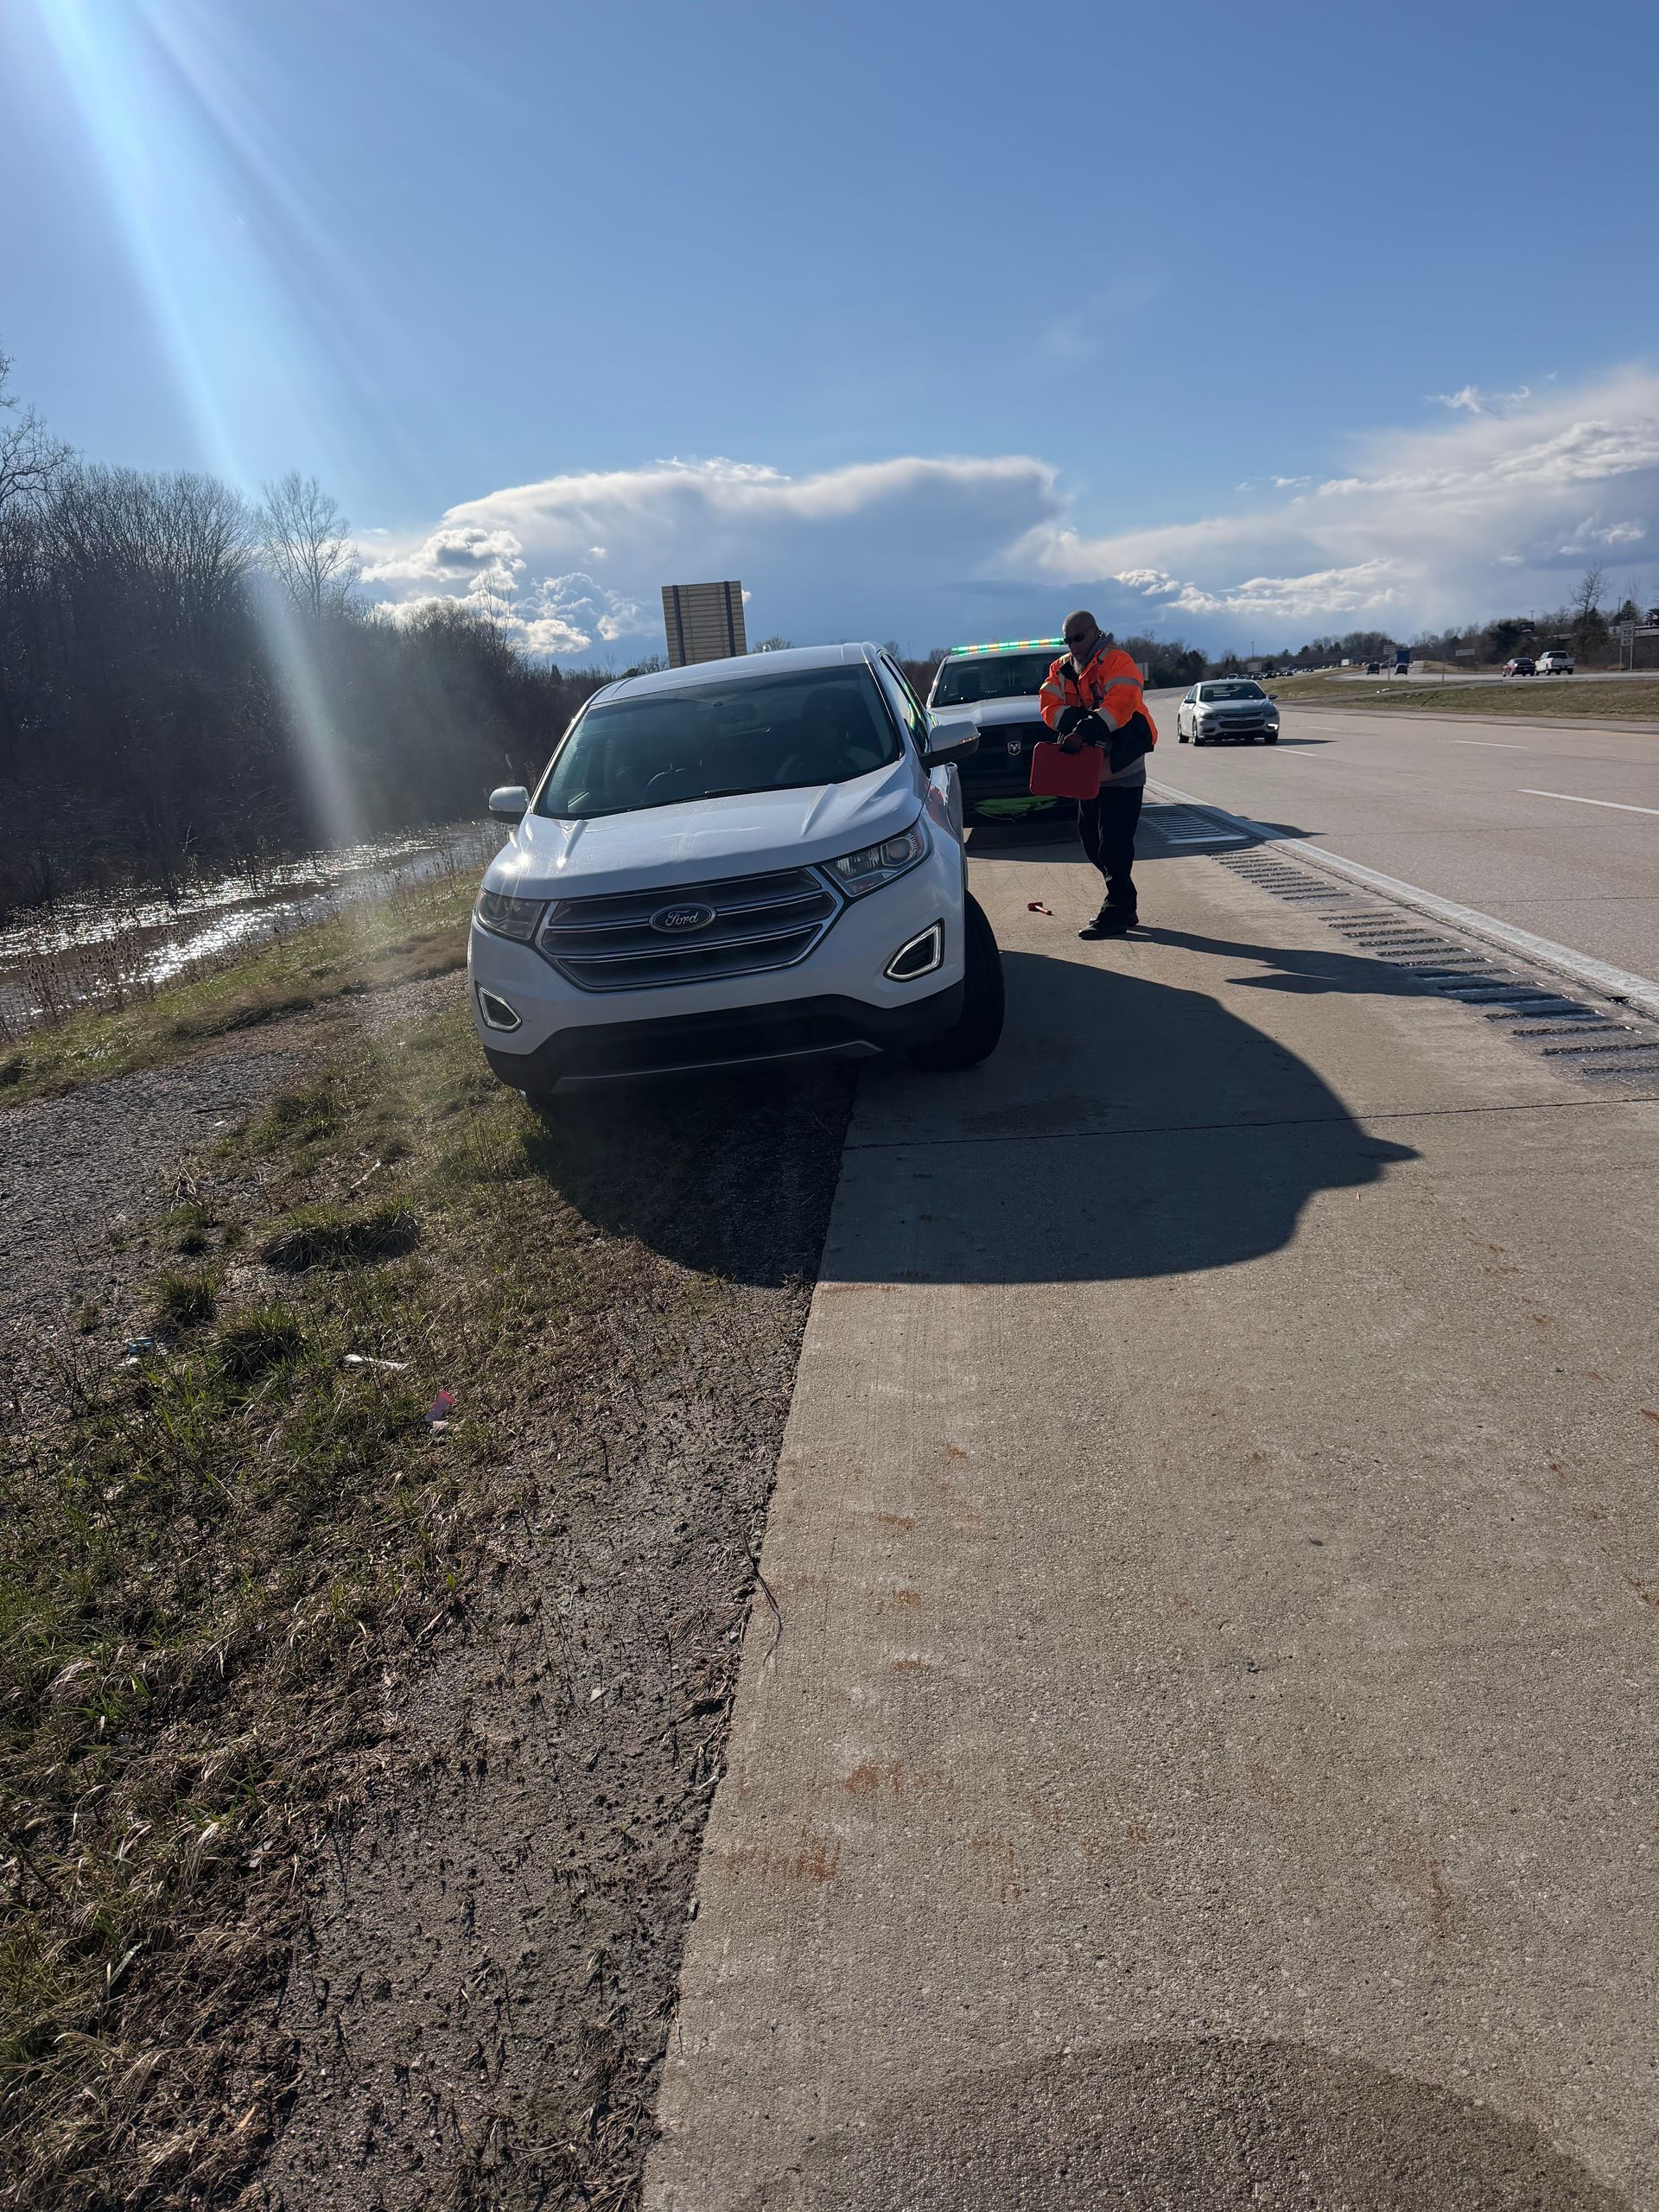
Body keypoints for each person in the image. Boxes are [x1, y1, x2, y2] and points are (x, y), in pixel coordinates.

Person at [1038, 612, 1159, 938]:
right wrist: (1074, 723)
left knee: (1114, 846)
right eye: (1068, 640)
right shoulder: (1061, 668)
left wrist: (1089, 727)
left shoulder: (1117, 661)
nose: (1073, 646)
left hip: (1122, 767)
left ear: (1095, 632)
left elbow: (1122, 702)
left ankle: (1116, 912)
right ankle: (1124, 900)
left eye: (1078, 638)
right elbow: (1048, 704)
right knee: (1092, 843)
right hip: (1088, 773)